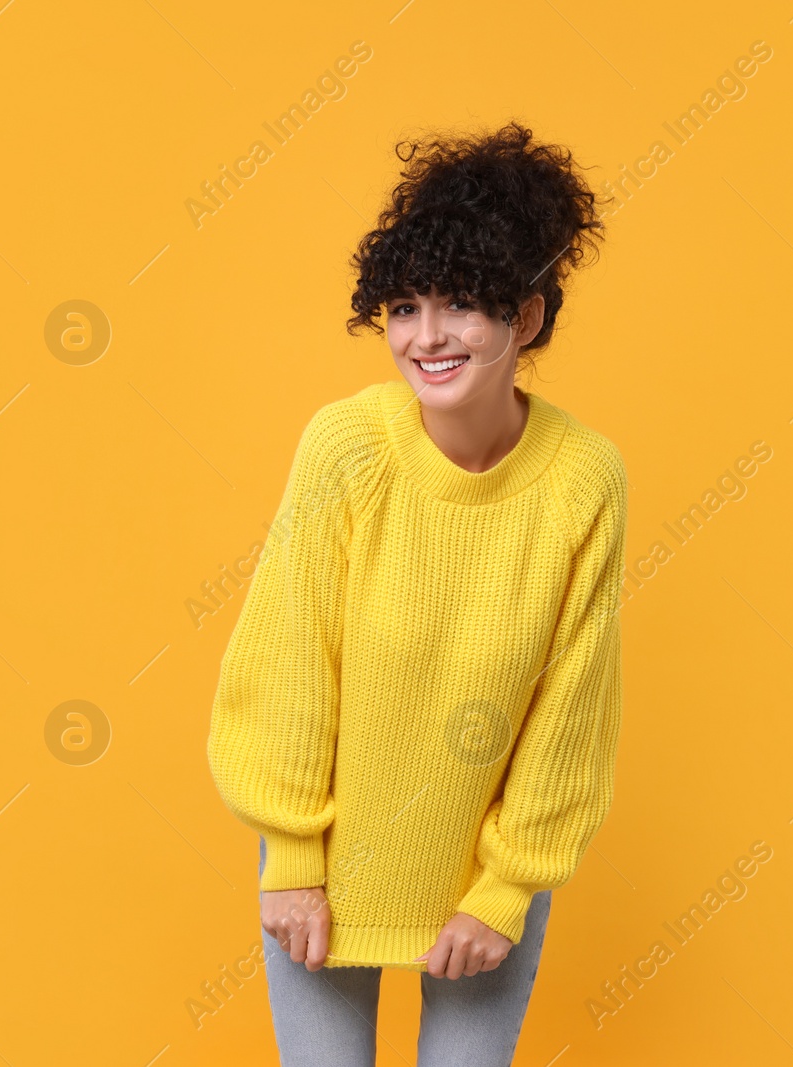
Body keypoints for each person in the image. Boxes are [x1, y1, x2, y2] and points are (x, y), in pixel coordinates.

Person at [206, 121, 625, 1066]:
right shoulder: (348, 448)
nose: (425, 338)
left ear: (526, 318)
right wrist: (292, 862)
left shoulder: (584, 479)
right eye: (403, 308)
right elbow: (287, 656)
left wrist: (508, 888)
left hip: (481, 886)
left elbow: (573, 703)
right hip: (324, 868)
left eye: (461, 307)